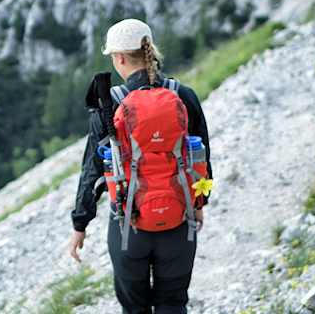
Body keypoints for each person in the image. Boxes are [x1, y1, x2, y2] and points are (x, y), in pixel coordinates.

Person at [68, 18, 213, 314]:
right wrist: (199, 202)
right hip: (178, 221)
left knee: (134, 309)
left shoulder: (110, 105)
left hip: (127, 225)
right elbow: (202, 157)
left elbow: (92, 172)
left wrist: (80, 224)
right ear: (150, 50)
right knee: (173, 303)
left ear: (119, 58)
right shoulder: (182, 95)